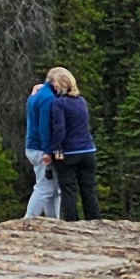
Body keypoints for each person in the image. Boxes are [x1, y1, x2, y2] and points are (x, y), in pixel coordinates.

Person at [42, 67, 100, 220]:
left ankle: (72, 223)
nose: (53, 86)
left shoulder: (59, 103)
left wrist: (54, 149)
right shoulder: (81, 101)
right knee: (89, 189)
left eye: (54, 83)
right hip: (88, 150)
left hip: (69, 153)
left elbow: (59, 129)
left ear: (60, 85)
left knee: (69, 191)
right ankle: (94, 220)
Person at [22, 72, 64, 218]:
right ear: (56, 82)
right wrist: (48, 151)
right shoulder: (48, 98)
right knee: (45, 187)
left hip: (32, 147)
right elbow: (45, 126)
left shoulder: (36, 96)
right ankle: (27, 220)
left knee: (51, 188)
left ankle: (53, 221)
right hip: (41, 148)